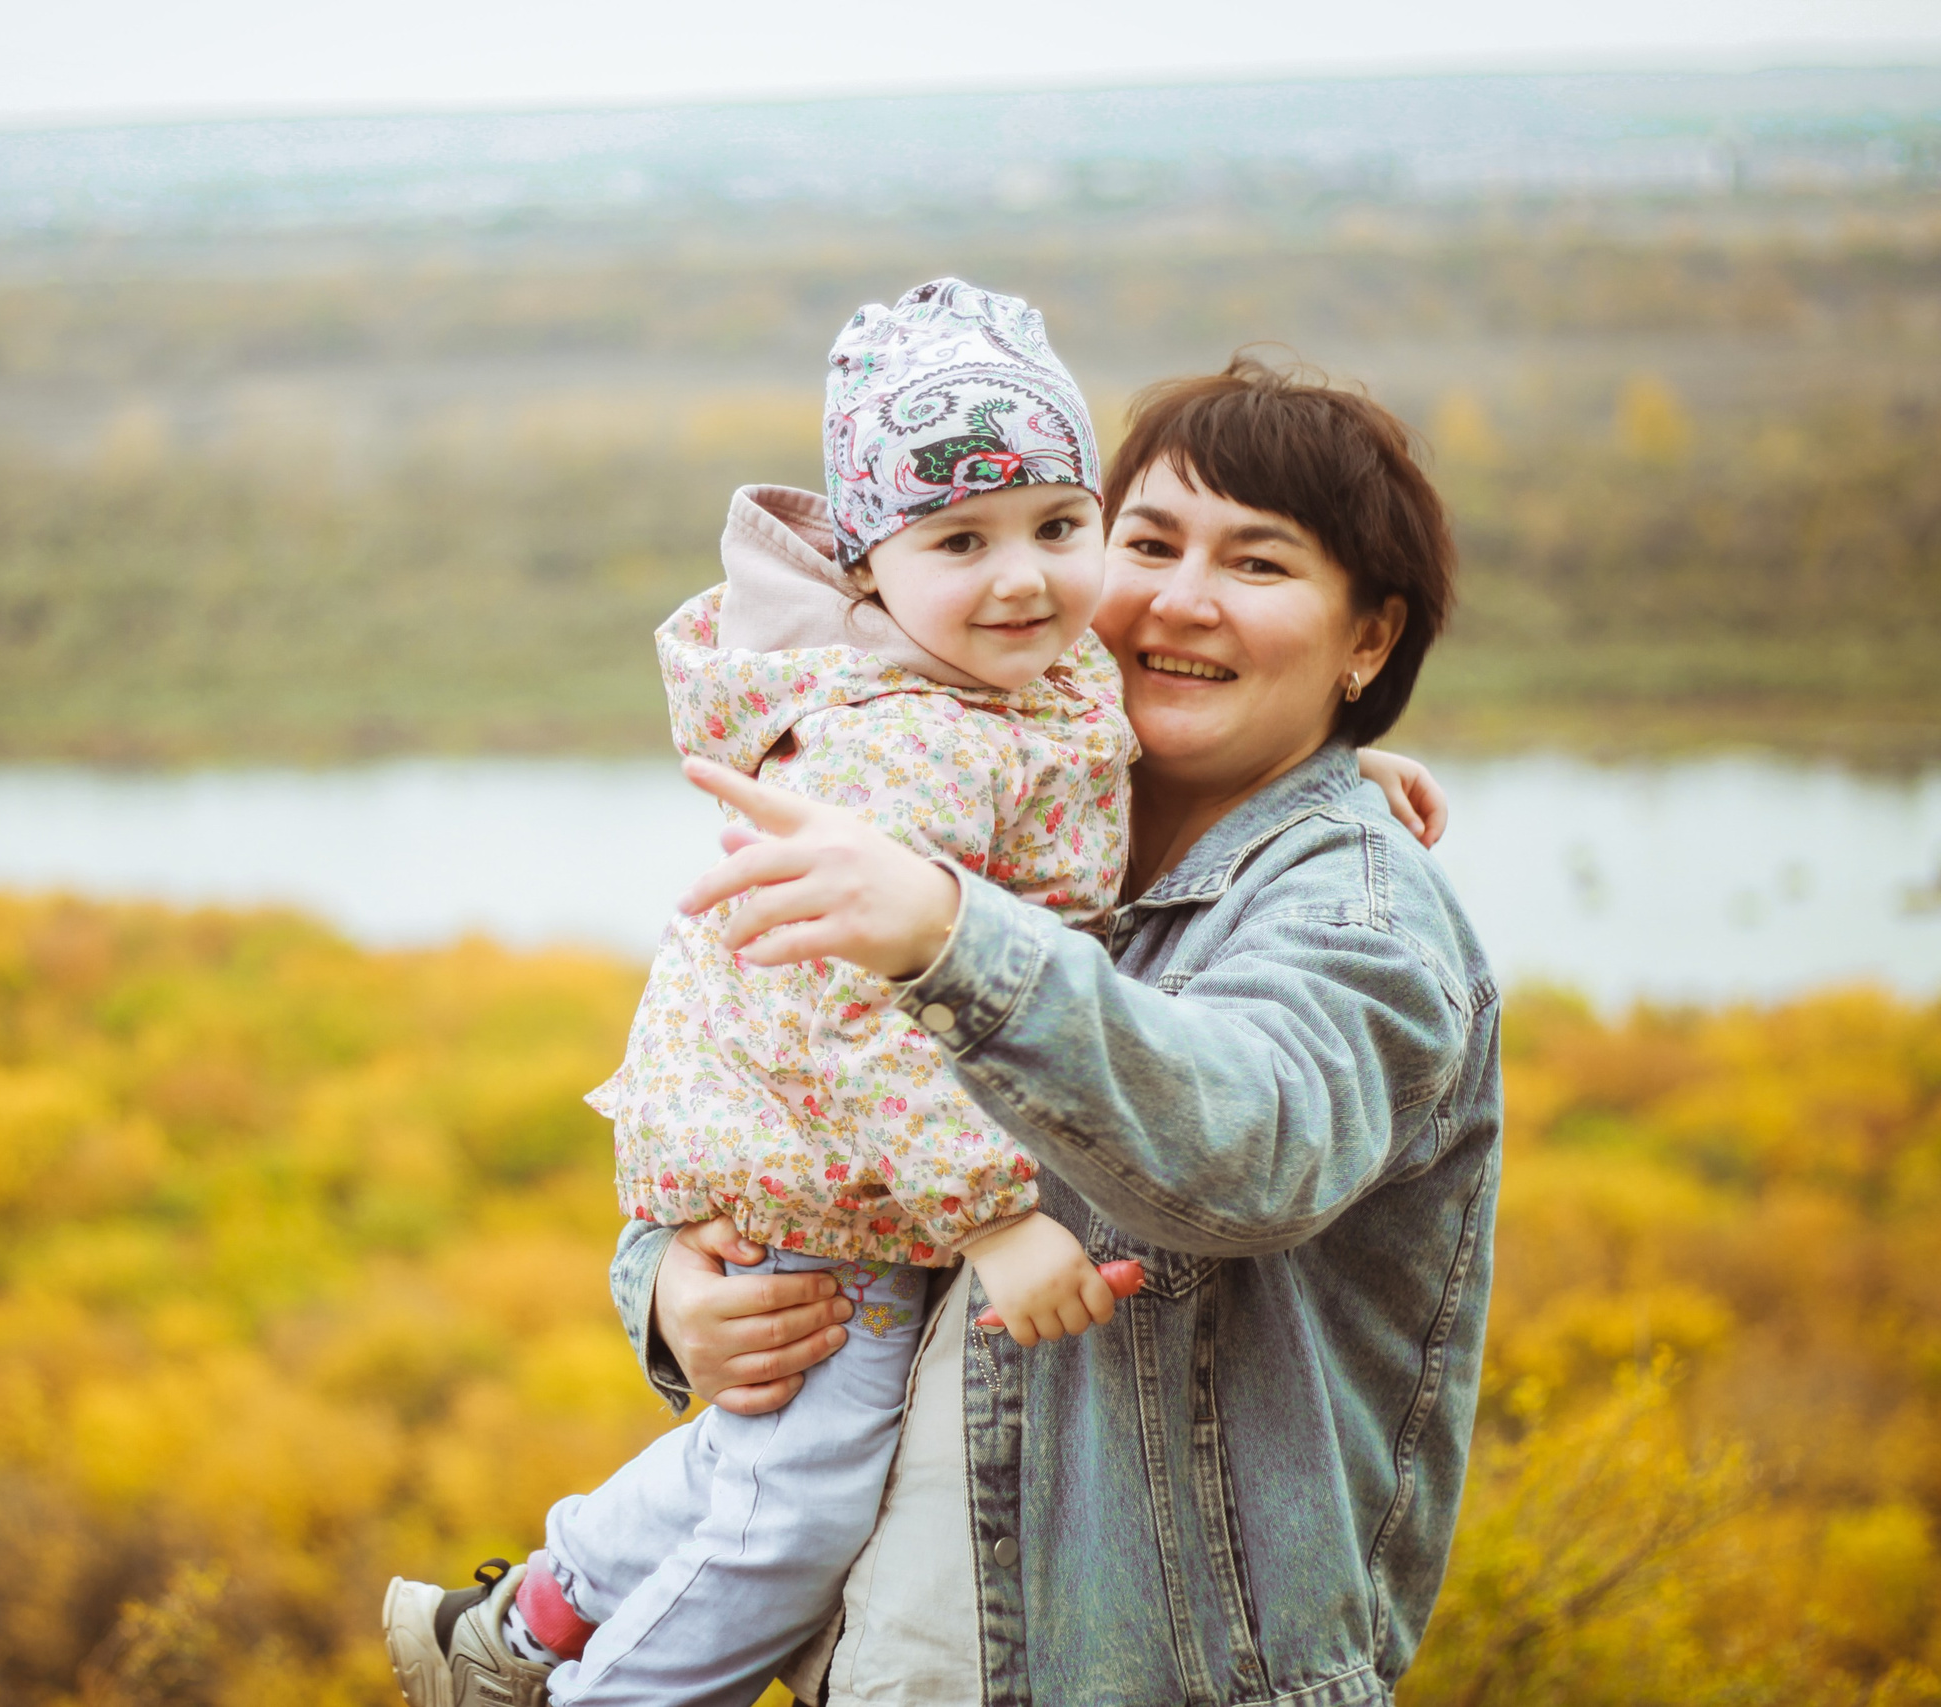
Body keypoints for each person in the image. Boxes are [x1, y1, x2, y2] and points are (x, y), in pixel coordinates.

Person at [617, 355, 1500, 1707]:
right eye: (1145, 542)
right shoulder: (1018, 817)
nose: (1178, 599)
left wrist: (950, 938)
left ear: (1366, 641)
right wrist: (678, 1286)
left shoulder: (1357, 912)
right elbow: (770, 1065)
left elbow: (1250, 1144)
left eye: (1258, 566)